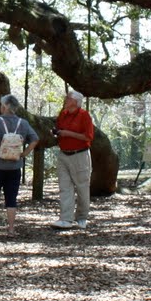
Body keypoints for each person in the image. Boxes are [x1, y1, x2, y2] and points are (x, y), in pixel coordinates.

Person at [0, 94, 37, 238]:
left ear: (5, 106)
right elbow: (35, 139)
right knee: (11, 197)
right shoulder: (23, 123)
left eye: (1, 105)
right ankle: (11, 229)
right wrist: (24, 153)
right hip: (14, 166)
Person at [50, 89, 95, 230]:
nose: (65, 100)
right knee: (65, 187)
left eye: (68, 98)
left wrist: (68, 133)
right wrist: (56, 133)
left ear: (75, 101)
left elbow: (88, 137)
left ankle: (82, 217)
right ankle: (66, 219)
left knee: (82, 187)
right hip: (64, 154)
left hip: (80, 155)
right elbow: (60, 130)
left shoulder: (84, 115)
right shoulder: (62, 115)